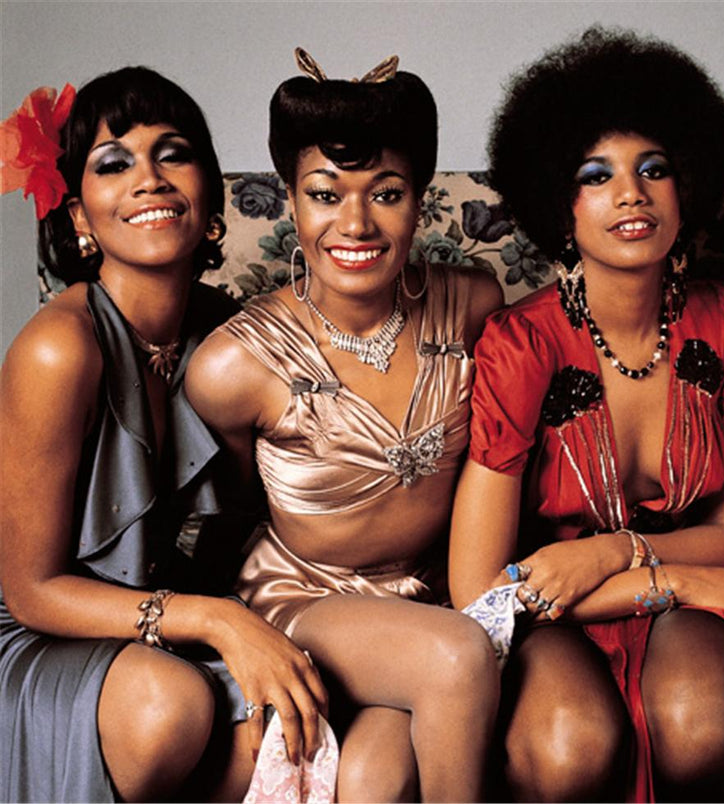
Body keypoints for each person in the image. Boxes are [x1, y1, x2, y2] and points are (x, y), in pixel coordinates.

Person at [450, 27, 724, 803]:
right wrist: (675, 581)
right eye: (598, 176)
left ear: (687, 186)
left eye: (653, 169)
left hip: (644, 586)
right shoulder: (521, 345)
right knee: (570, 747)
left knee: (704, 722)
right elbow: (480, 592)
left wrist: (616, 553)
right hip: (547, 614)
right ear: (562, 206)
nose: (632, 193)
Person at [0, 66, 328, 803]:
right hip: (46, 634)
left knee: (291, 735)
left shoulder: (232, 333)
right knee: (167, 708)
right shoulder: (60, 349)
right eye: (113, 164)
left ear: (210, 197)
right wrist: (218, 622)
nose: (147, 178)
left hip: (168, 628)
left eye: (171, 153)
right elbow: (30, 590)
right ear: (81, 217)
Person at [185, 49, 503, 802]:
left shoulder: (475, 306)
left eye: (385, 193)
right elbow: (228, 512)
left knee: (373, 781)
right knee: (459, 656)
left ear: (420, 202)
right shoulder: (233, 366)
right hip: (305, 598)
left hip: (427, 597)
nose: (355, 223)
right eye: (325, 195)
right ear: (289, 203)